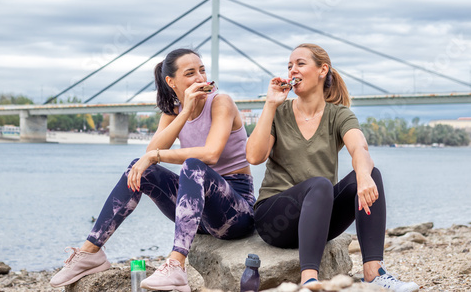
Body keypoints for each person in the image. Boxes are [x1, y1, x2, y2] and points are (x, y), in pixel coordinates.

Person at [50, 48, 255, 292]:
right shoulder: (174, 112)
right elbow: (150, 154)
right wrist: (185, 111)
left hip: (234, 211)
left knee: (192, 164)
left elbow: (210, 154)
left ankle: (176, 265)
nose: (200, 78)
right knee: (139, 169)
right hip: (198, 214)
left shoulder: (221, 102)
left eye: (202, 71)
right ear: (171, 82)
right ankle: (90, 252)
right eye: (190, 73)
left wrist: (155, 155)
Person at [246, 43, 419, 292]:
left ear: (322, 70)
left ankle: (373, 272)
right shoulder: (278, 112)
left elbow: (360, 149)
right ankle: (309, 281)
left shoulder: (339, 115)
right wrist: (270, 104)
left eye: (300, 64)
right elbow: (254, 156)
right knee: (319, 184)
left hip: (318, 220)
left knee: (372, 173)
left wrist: (363, 176)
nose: (292, 70)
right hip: (275, 220)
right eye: (289, 66)